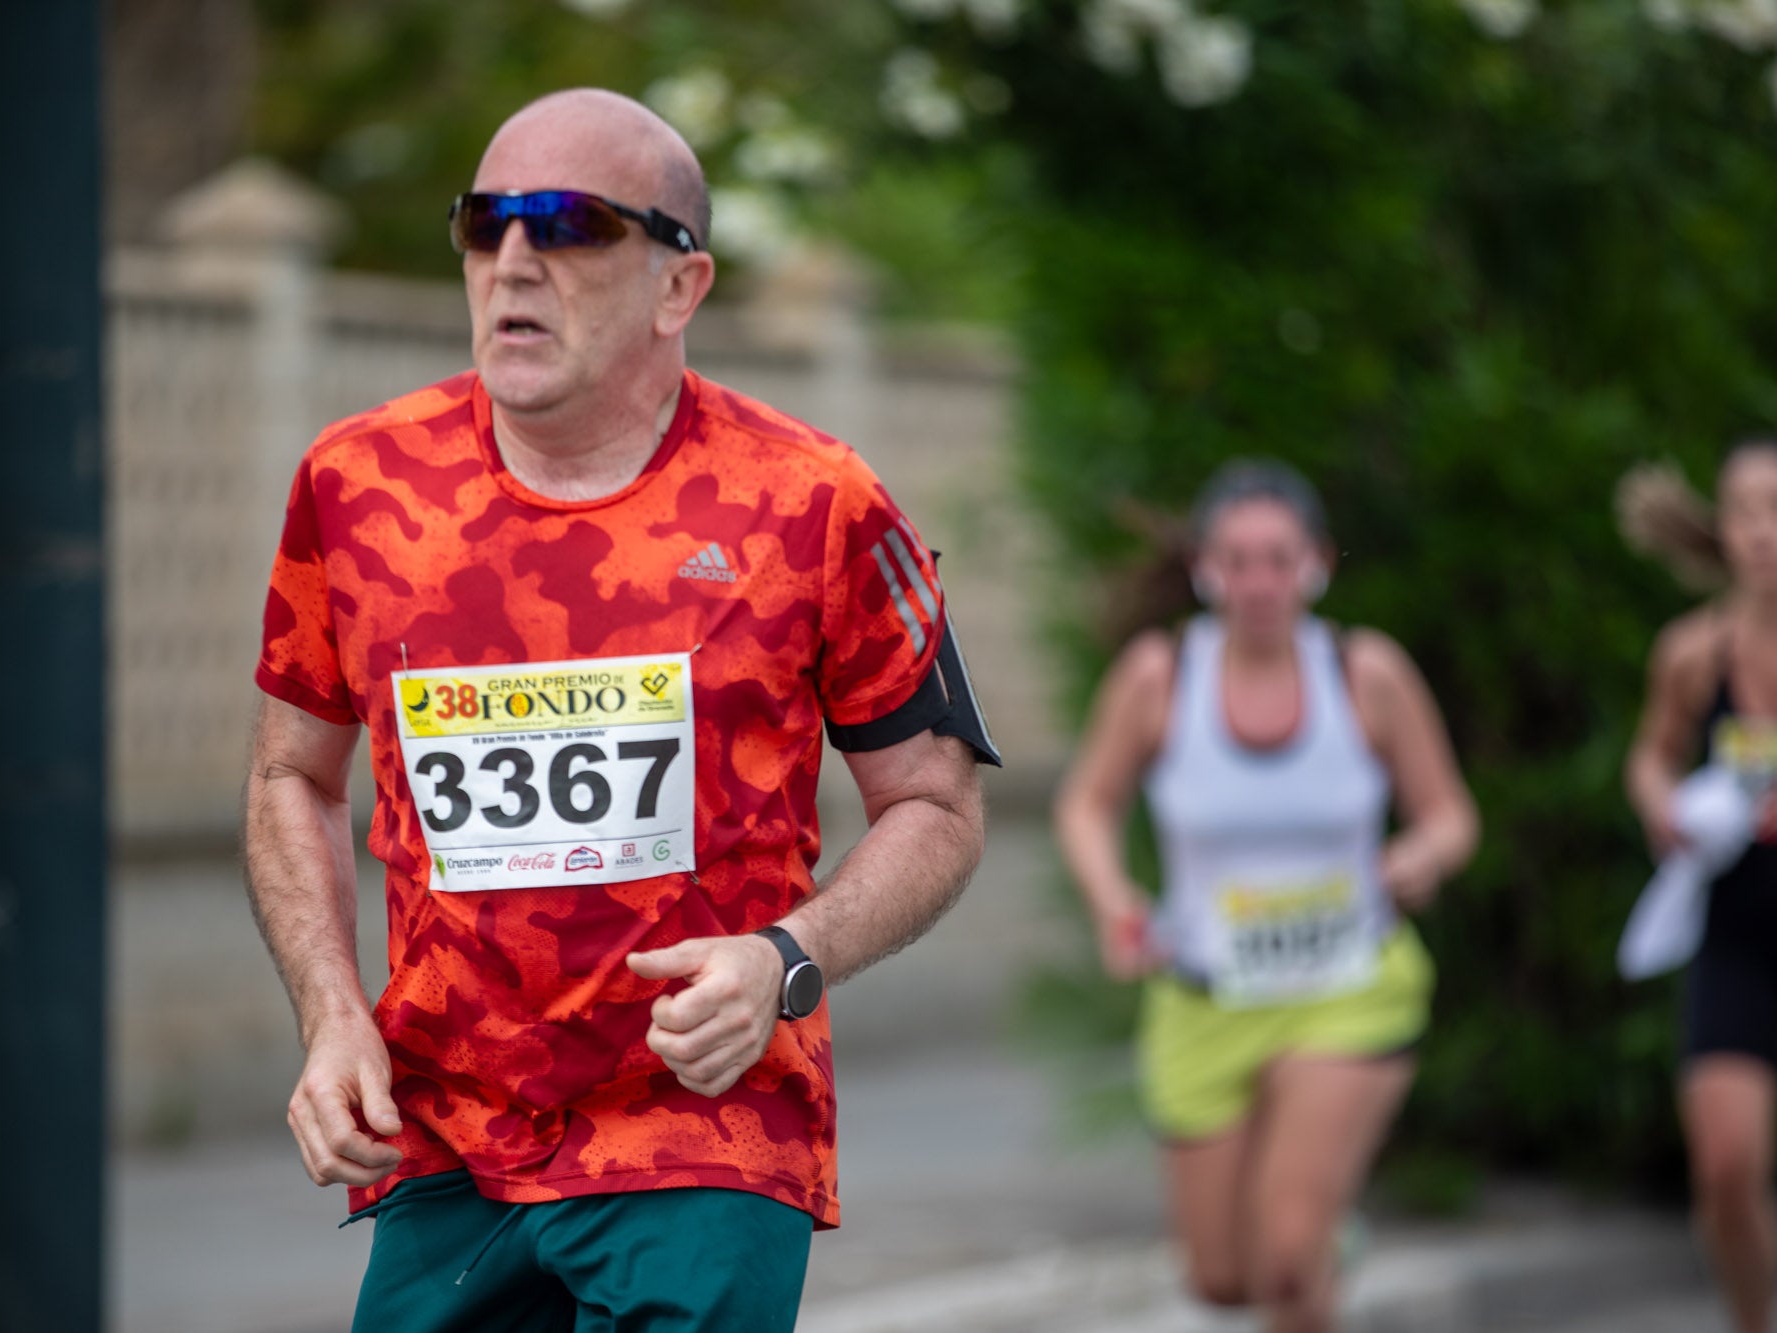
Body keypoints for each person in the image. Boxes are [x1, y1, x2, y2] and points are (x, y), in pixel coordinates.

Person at [240, 88, 999, 1332]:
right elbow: (292, 774)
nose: (515, 261)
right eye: (485, 226)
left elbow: (935, 802)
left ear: (677, 287)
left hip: (704, 1127)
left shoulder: (814, 503)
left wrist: (785, 960)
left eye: (570, 224)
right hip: (447, 1138)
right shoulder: (357, 484)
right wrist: (330, 1017)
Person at [1054, 461, 1478, 1333]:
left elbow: (1451, 816)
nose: (1258, 582)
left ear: (1316, 563)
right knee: (1223, 1279)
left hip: (1349, 987)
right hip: (1207, 996)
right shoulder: (1160, 676)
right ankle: (1330, 1244)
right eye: (1237, 560)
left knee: (1285, 1260)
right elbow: (1086, 805)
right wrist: (1113, 899)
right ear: (1205, 568)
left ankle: (1311, 1243)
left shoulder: (1367, 673)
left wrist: (1420, 855)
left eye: (1278, 560)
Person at [1622, 440, 1777, 1333]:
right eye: (1744, 510)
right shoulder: (1691, 654)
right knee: (1724, 1167)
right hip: (1735, 934)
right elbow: (1651, 753)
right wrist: (1660, 803)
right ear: (1720, 530)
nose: (1763, 532)